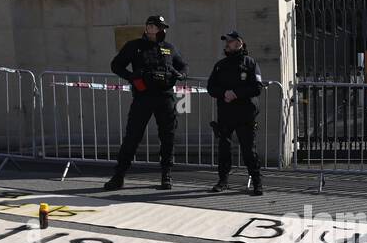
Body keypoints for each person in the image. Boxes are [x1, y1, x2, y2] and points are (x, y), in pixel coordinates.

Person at [104, 15, 188, 191]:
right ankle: (118, 176)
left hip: (165, 97)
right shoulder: (134, 46)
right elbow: (116, 65)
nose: (159, 29)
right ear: (148, 27)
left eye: (161, 27)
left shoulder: (169, 48)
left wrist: (181, 75)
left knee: (167, 137)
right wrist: (131, 77)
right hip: (143, 97)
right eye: (155, 26)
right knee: (132, 136)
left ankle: (166, 176)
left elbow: (183, 66)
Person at [207, 30, 264, 196]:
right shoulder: (220, 65)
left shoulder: (251, 63)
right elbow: (211, 87)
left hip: (245, 114)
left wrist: (236, 94)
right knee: (224, 149)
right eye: (226, 42)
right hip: (226, 114)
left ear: (239, 42)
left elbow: (257, 87)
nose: (227, 44)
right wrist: (224, 93)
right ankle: (222, 181)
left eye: (230, 41)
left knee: (249, 151)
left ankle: (257, 182)